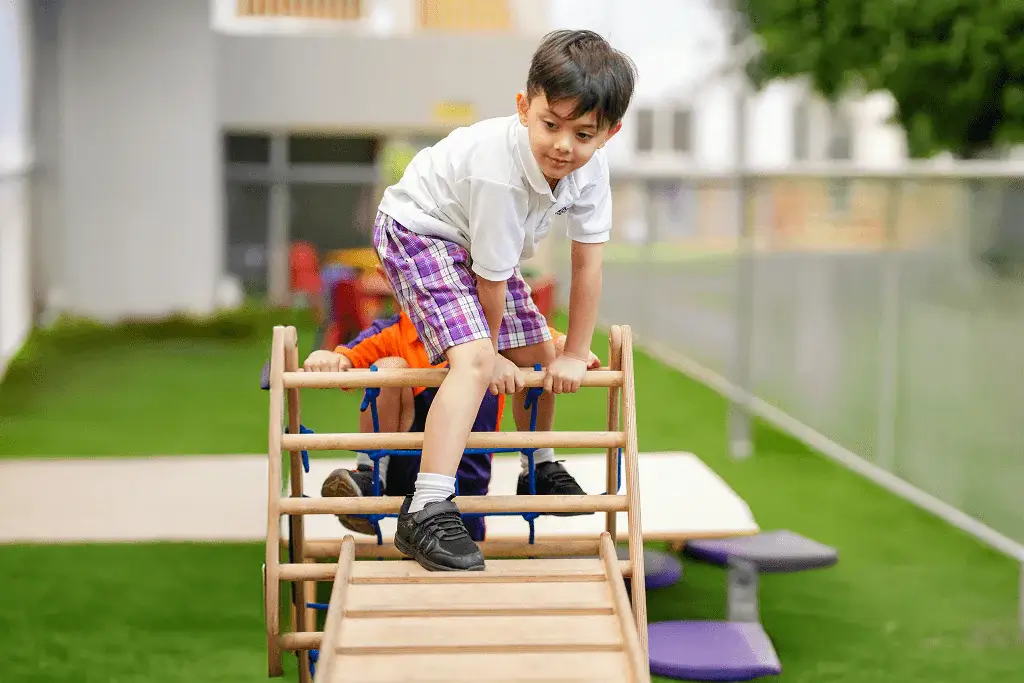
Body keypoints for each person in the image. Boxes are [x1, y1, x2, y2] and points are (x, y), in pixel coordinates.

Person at [303, 29, 636, 571]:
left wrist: (574, 351)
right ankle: (427, 508)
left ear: (609, 133)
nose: (562, 145)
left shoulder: (590, 170)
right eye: (550, 125)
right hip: (418, 230)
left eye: (582, 134)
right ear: (524, 107)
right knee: (477, 361)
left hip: (471, 247)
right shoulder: (499, 170)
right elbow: (492, 283)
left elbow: (587, 265)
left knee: (542, 358)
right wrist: (491, 353)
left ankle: (537, 463)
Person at [304, 310, 600, 541]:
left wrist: (569, 348)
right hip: (408, 465)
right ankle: (370, 475)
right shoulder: (395, 333)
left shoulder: (497, 330)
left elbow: (542, 339)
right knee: (388, 368)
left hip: (469, 476)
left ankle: (538, 466)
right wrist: (327, 357)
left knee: (535, 354)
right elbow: (344, 357)